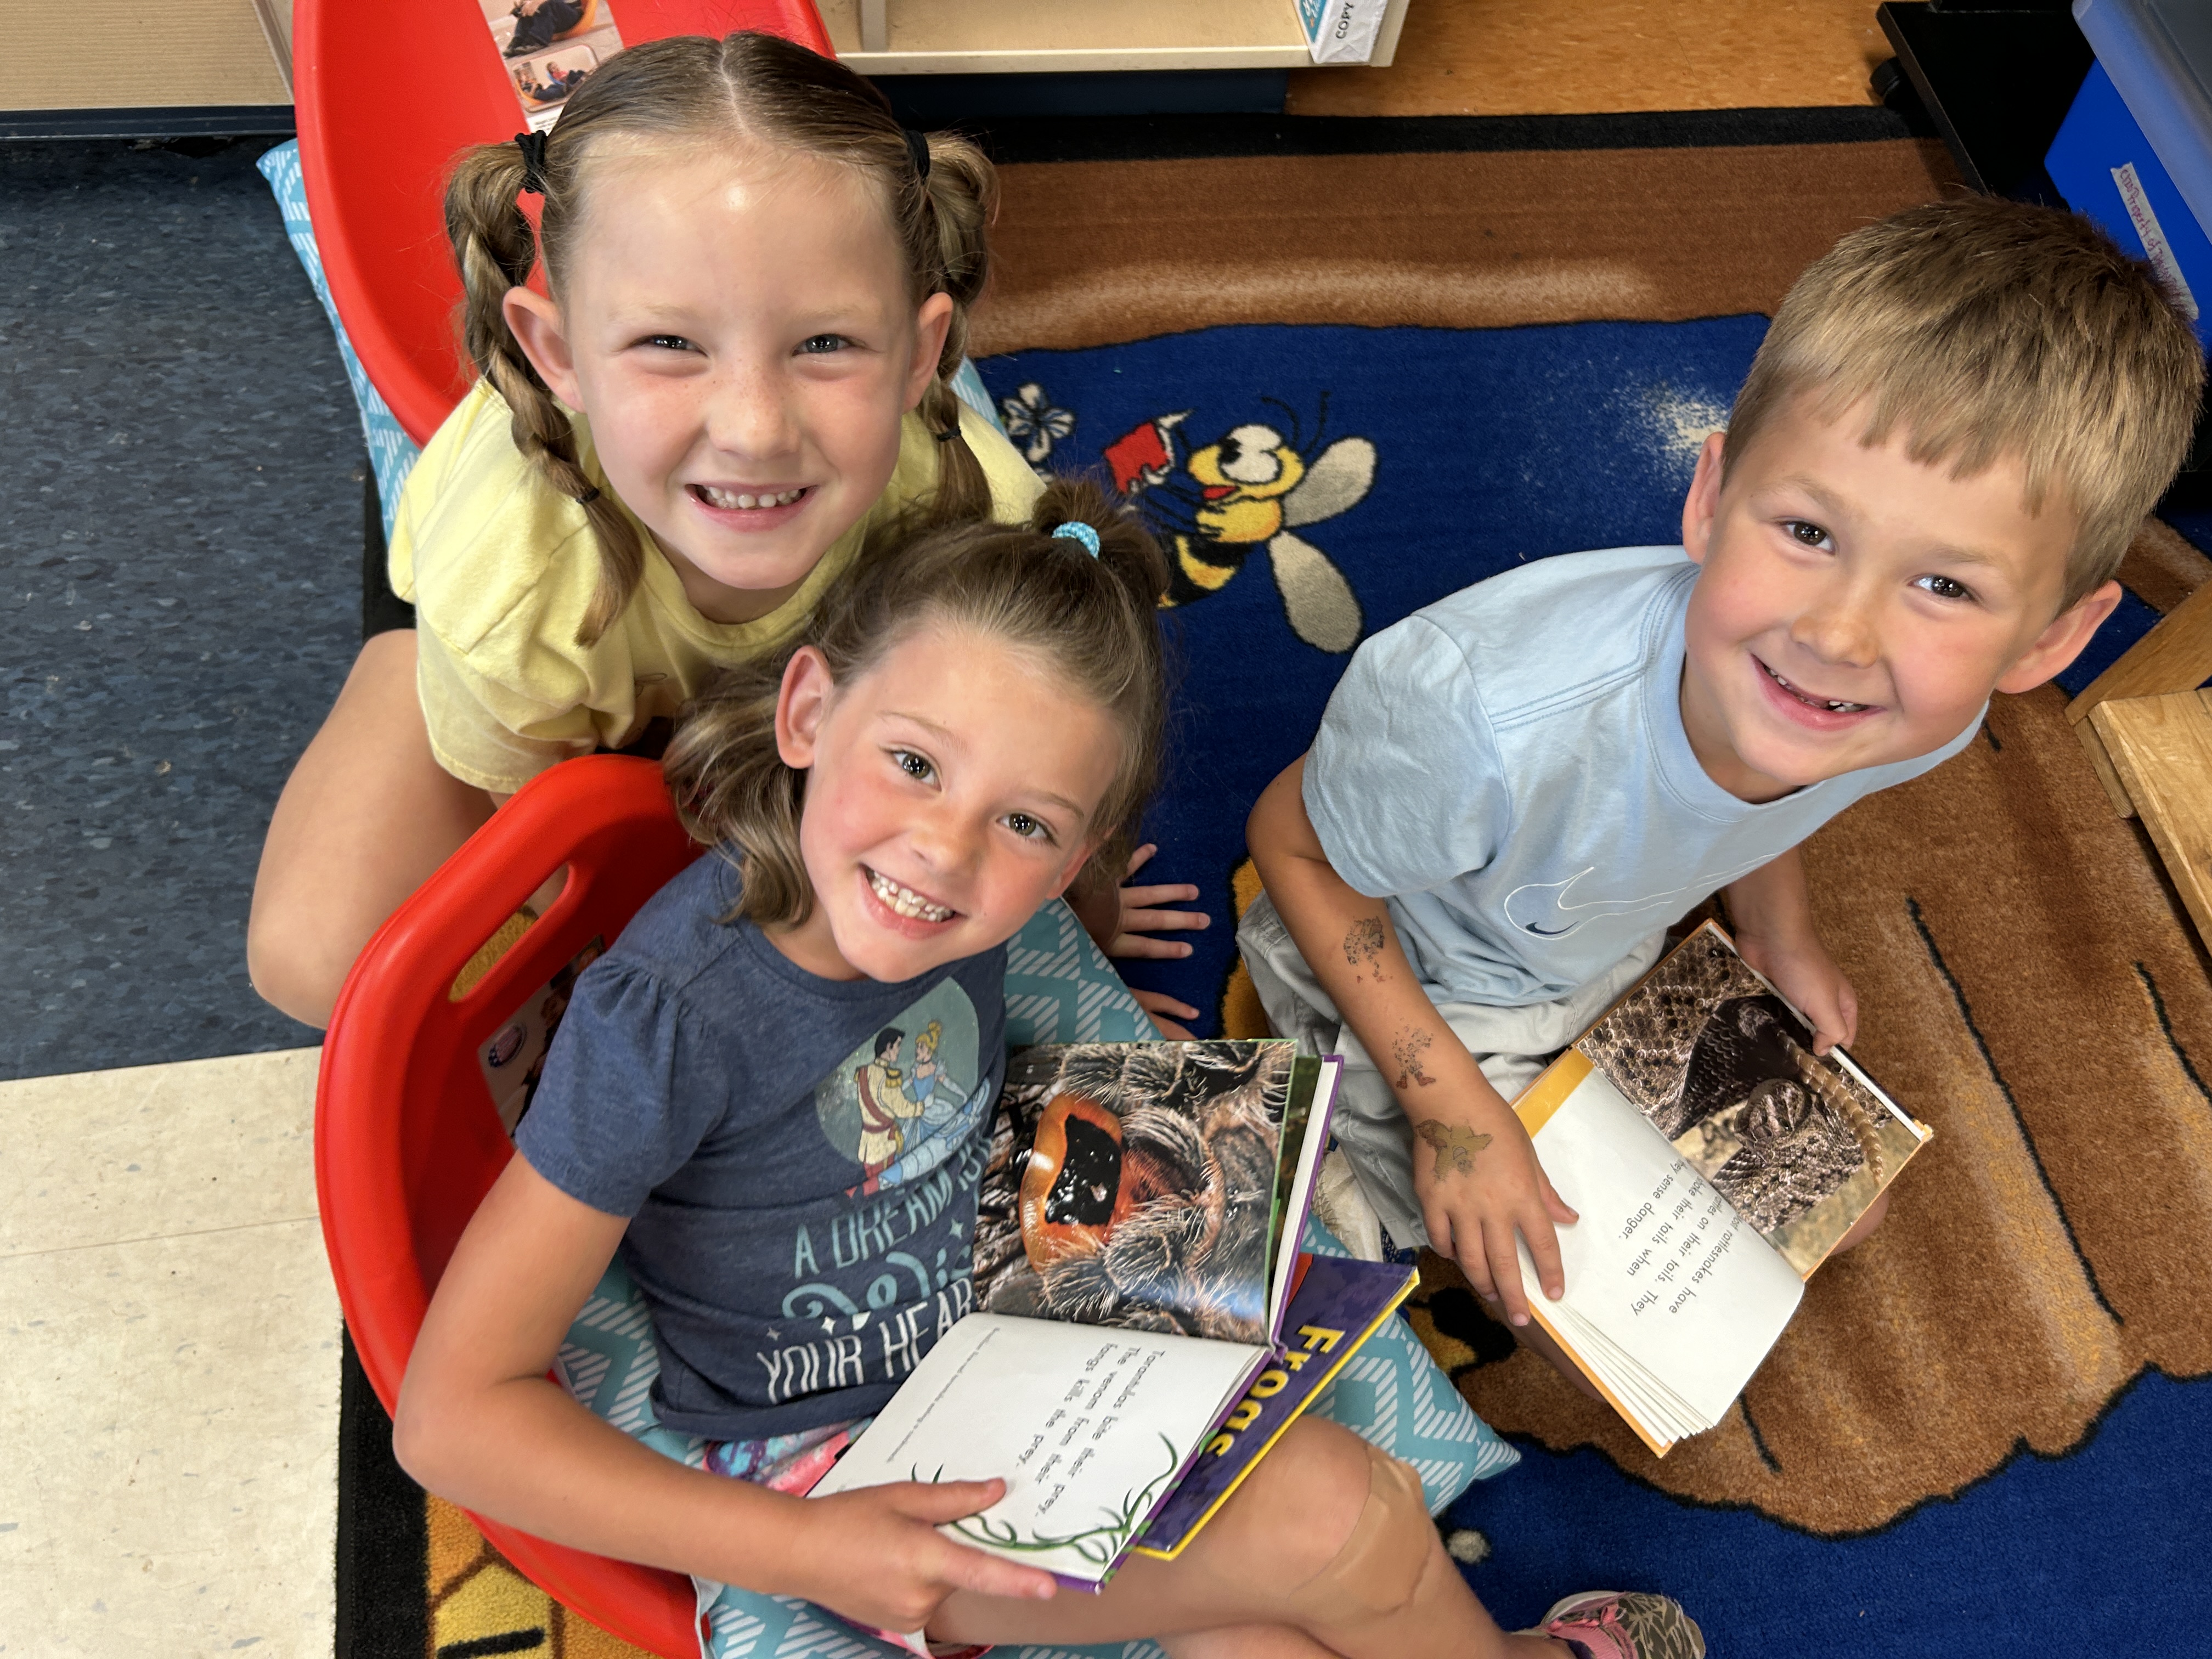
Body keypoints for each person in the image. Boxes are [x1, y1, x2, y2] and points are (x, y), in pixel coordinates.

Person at [392, 485, 1702, 1659]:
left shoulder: (973, 910)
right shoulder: (667, 1021)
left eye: (1025, 824)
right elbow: (449, 1419)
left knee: (1263, 1638)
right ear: (806, 711)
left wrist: (1097, 979)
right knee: (1354, 1519)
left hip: (1038, 1344)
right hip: (850, 1480)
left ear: (1079, 856)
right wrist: (802, 1553)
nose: (944, 855)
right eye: (913, 764)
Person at [1241, 197, 2204, 1353]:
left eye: (1946, 588)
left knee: (1843, 1207)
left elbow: (1780, 789)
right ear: (1711, 497)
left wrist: (1777, 931)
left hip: (1603, 958)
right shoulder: (1481, 714)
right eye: (1808, 532)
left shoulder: (1899, 716)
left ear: (2048, 640)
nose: (1841, 638)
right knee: (1538, 1283)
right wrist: (1450, 1110)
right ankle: (1327, 1143)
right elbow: (1286, 840)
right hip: (1412, 965)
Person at [247, 31, 1205, 1033]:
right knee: (316, 957)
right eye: (670, 344)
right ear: (557, 355)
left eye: (824, 343)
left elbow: (1047, 751)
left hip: (853, 509)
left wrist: (1077, 911)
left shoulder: (979, 523)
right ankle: (410, 477)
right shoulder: (507, 593)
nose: (754, 429)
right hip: (533, 606)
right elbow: (566, 850)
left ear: (919, 355)